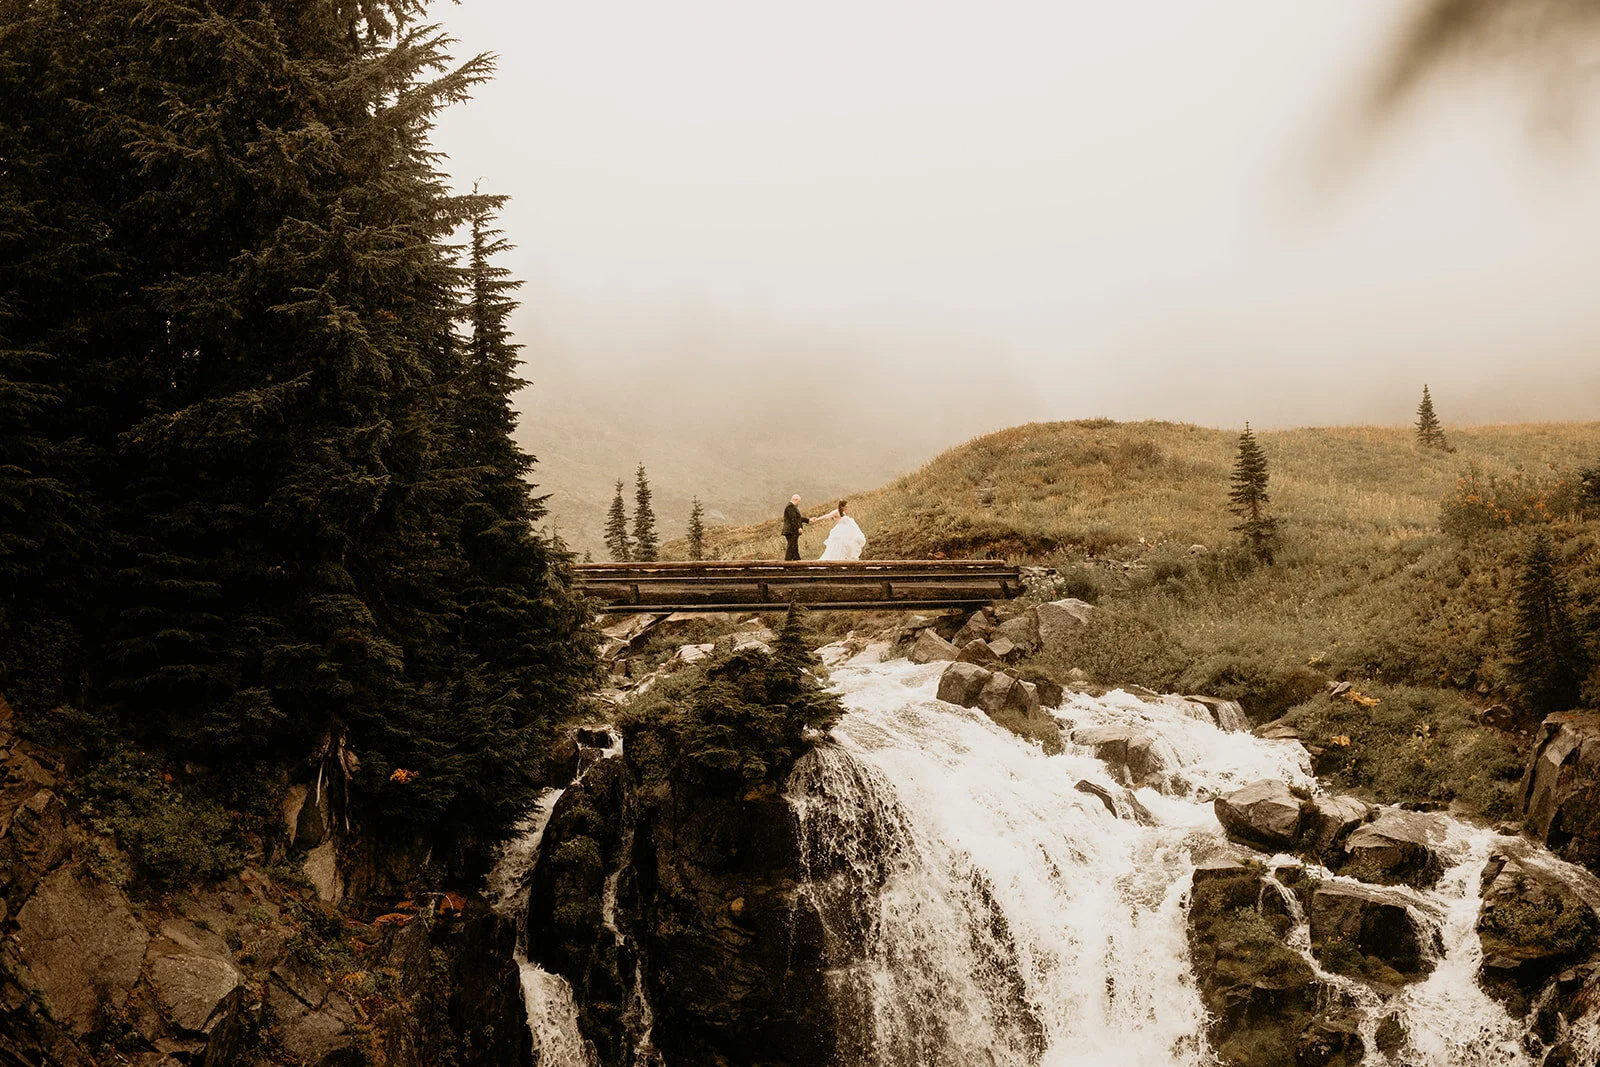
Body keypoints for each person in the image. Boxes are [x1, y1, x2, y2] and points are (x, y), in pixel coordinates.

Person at [781, 494, 810, 560]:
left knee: (794, 547)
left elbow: (798, 518)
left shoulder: (791, 507)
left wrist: (808, 520)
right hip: (791, 531)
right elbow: (793, 518)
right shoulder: (790, 507)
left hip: (792, 530)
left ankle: (797, 563)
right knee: (791, 547)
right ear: (795, 500)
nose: (799, 503)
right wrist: (798, 527)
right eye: (799, 501)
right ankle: (787, 564)